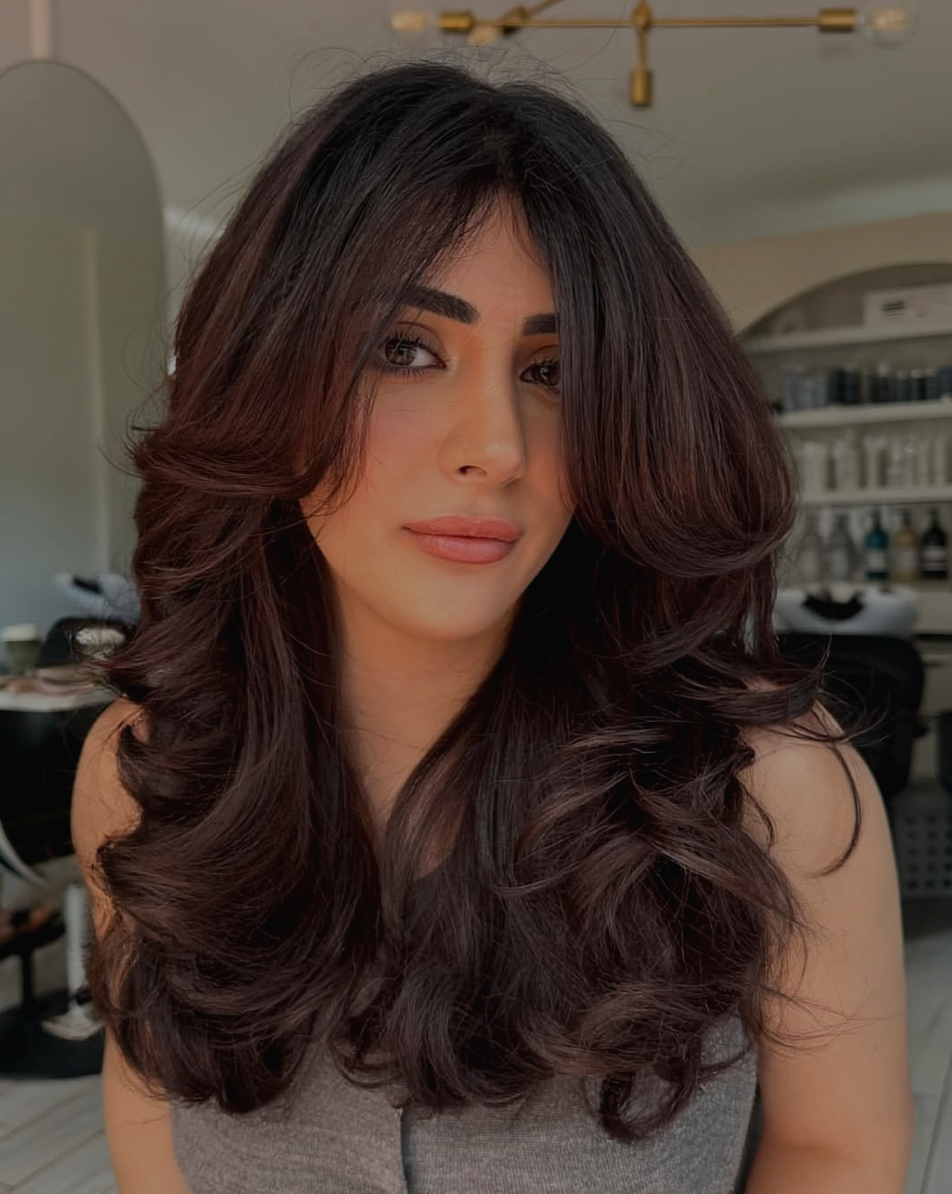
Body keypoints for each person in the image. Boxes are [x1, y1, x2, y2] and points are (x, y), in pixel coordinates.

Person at [70, 57, 913, 1194]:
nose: (497, 447)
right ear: (271, 372)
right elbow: (146, 1111)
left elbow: (837, 1147)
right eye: (404, 349)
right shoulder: (149, 770)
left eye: (555, 370)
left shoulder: (764, 786)